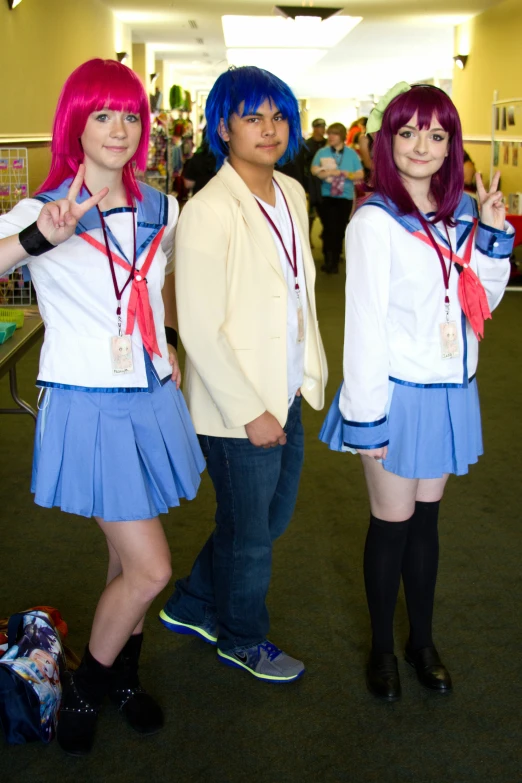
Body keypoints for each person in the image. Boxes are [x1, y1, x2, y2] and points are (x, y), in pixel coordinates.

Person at [0, 58, 205, 754]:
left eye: (128, 116)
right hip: (87, 403)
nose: (119, 129)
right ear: (75, 125)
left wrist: (167, 337)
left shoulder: (160, 207)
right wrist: (39, 239)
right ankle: (90, 684)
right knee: (152, 568)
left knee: (125, 558)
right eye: (102, 115)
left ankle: (122, 677)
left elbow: (156, 285)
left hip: (149, 394)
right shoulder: (45, 209)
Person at [319, 83, 514, 701]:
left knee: (427, 524)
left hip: (450, 389)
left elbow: (484, 296)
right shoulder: (376, 221)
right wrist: (368, 420)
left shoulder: (460, 215)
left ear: (453, 145)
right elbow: (365, 325)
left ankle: (421, 641)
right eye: (408, 133)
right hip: (396, 395)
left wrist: (491, 234)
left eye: (436, 134)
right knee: (392, 524)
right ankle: (382, 649)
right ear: (387, 142)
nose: (422, 146)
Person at [159, 66, 328, 683]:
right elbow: (199, 326)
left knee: (263, 521)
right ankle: (242, 638)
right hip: (240, 405)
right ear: (223, 128)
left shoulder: (291, 191)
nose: (269, 128)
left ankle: (194, 602)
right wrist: (249, 410)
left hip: (284, 387)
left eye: (279, 116)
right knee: (251, 534)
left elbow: (295, 293)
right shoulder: (208, 210)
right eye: (252, 117)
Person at [311, 122, 364, 274]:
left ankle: (336, 256)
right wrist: (326, 173)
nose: (331, 137)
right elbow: (314, 170)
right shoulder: (322, 152)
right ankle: (329, 259)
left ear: (341, 136)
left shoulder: (352, 154)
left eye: (334, 134)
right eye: (330, 134)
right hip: (327, 195)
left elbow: (360, 173)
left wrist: (348, 174)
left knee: (340, 228)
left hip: (345, 196)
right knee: (328, 228)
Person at [303, 118, 327, 236]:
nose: (322, 130)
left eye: (323, 127)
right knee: (310, 213)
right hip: (311, 183)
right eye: (319, 127)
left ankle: (325, 234)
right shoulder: (307, 145)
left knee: (326, 213)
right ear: (314, 128)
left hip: (326, 182)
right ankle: (309, 238)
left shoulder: (327, 144)